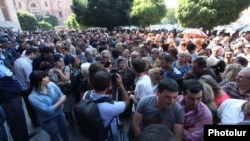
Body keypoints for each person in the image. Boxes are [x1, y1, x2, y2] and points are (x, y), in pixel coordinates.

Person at [82, 70, 129, 141]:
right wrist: (121, 84)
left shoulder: (86, 94)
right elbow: (126, 101)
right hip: (108, 136)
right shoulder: (111, 107)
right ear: (110, 86)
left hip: (92, 133)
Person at [0, 59, 36, 141]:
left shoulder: (2, 62)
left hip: (14, 98)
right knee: (15, 123)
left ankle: (24, 136)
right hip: (8, 100)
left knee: (20, 121)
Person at [28, 70, 69, 141]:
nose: (48, 77)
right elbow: (48, 111)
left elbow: (60, 94)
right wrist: (61, 101)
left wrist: (54, 106)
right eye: (45, 77)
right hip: (49, 120)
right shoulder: (33, 97)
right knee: (54, 137)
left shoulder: (51, 85)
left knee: (65, 132)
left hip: (60, 114)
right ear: (39, 81)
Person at [13, 47, 39, 127]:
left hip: (21, 87)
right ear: (31, 54)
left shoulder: (18, 60)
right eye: (35, 55)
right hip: (27, 88)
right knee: (32, 106)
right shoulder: (27, 64)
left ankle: (34, 120)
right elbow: (29, 79)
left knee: (28, 105)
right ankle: (36, 121)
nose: (36, 56)